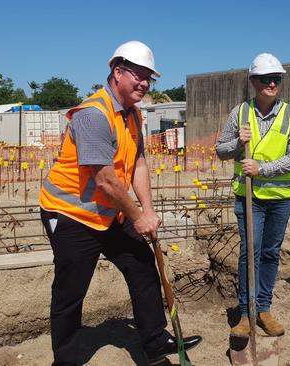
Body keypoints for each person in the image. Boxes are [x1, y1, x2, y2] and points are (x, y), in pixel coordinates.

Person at [39, 40, 202, 366]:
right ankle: (66, 360)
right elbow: (105, 179)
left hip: (109, 210)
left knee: (142, 264)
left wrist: (149, 211)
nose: (143, 83)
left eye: (148, 78)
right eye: (138, 75)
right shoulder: (92, 115)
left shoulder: (132, 115)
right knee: (71, 292)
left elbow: (138, 162)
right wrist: (136, 215)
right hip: (71, 214)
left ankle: (155, 342)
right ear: (117, 71)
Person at [215, 53, 290, 337]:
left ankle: (263, 308)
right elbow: (220, 150)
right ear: (254, 81)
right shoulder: (239, 113)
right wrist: (236, 144)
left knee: (270, 253)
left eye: (276, 79)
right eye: (266, 79)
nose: (272, 83)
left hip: (279, 199)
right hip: (248, 198)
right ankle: (245, 314)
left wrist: (261, 168)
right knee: (249, 253)